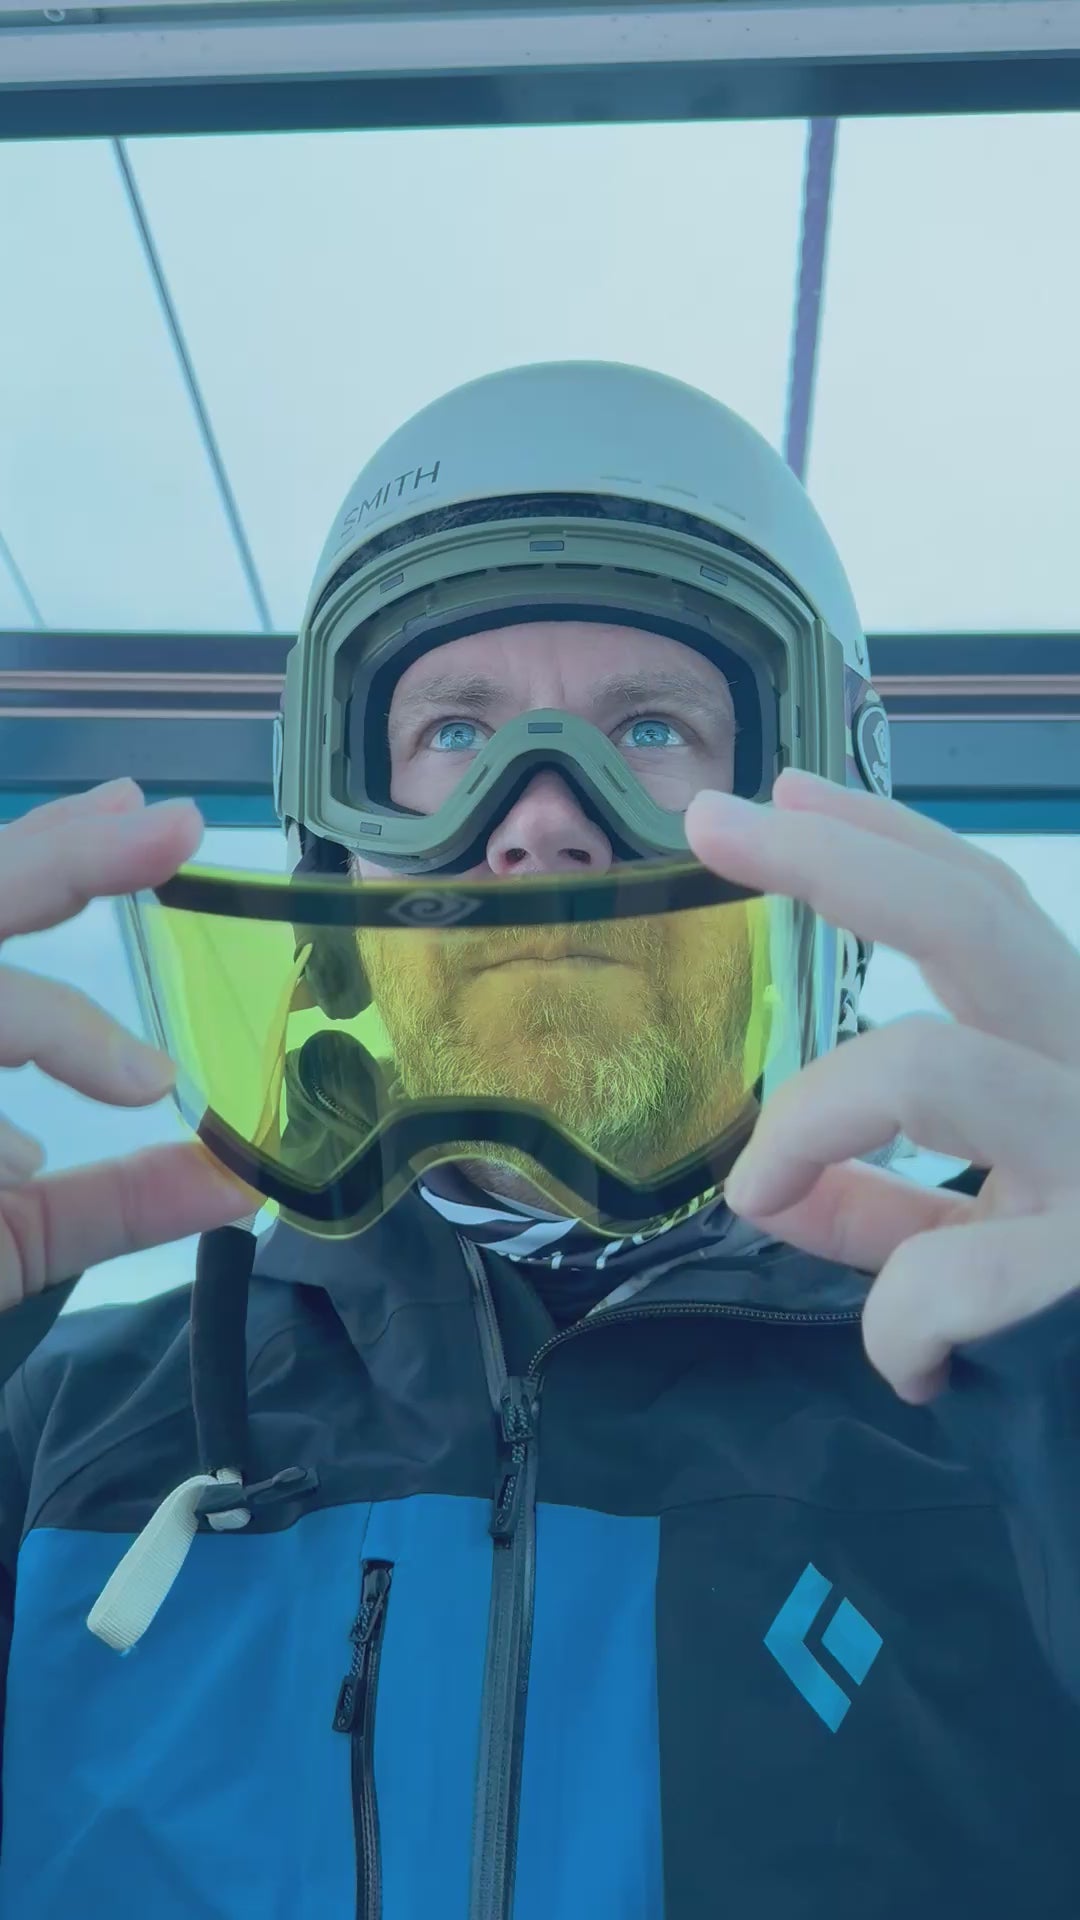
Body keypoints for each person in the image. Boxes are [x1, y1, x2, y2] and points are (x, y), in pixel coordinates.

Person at [0, 361, 1078, 1920]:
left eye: (651, 727)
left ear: (817, 832)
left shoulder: (1000, 1416)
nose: (541, 818)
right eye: (454, 730)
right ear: (341, 851)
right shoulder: (65, 1437)